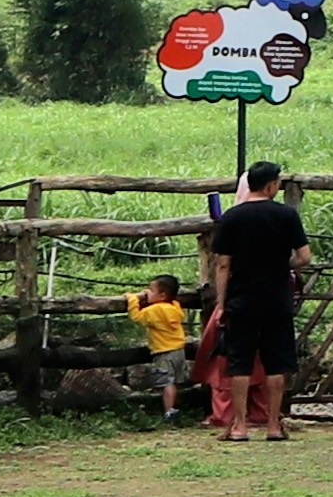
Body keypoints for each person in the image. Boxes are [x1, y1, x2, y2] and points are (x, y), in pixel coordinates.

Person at [203, 163, 310, 442]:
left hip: (242, 299)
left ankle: (239, 425)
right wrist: (283, 265)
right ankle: (274, 425)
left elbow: (223, 265)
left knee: (240, 363)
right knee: (277, 363)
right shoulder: (286, 215)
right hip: (277, 299)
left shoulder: (233, 217)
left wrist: (223, 302)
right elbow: (305, 257)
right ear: (271, 186)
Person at [126, 275, 195, 428]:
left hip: (163, 351)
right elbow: (174, 302)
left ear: (162, 295)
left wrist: (132, 299)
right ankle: (175, 408)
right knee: (175, 381)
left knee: (166, 383)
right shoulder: (174, 307)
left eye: (151, 290)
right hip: (178, 350)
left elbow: (136, 317)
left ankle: (169, 411)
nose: (147, 293)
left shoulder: (155, 310)